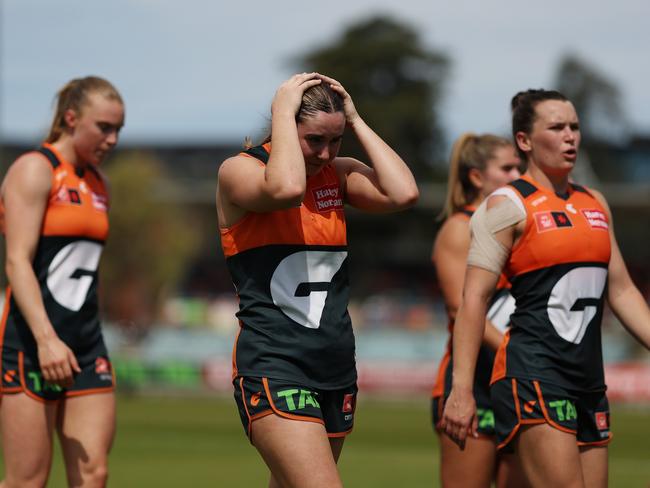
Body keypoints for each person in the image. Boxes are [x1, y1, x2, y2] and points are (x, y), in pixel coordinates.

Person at [216, 72, 418, 488]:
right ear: (286, 126)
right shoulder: (239, 171)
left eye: (335, 140)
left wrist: (356, 120)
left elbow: (403, 194)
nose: (326, 154)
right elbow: (287, 188)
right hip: (274, 363)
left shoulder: (337, 176)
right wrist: (282, 108)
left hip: (335, 366)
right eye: (314, 140)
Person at [440, 89, 650, 488]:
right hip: (533, 372)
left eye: (574, 126)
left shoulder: (596, 203)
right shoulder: (506, 206)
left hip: (588, 377)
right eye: (556, 127)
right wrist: (462, 389)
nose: (570, 136)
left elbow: (621, 291)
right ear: (525, 140)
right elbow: (473, 300)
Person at [0, 76, 124, 487]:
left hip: (87, 345)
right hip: (31, 344)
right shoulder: (36, 169)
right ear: (71, 119)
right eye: (103, 127)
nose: (112, 139)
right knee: (28, 479)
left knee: (94, 473)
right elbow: (17, 262)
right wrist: (47, 339)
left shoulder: (98, 184)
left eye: (118, 129)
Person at [431, 133, 524, 487]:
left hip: (515, 383)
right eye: (506, 168)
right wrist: (519, 354)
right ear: (476, 176)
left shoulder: (520, 225)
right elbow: (461, 309)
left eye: (519, 166)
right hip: (472, 382)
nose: (518, 173)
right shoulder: (458, 229)